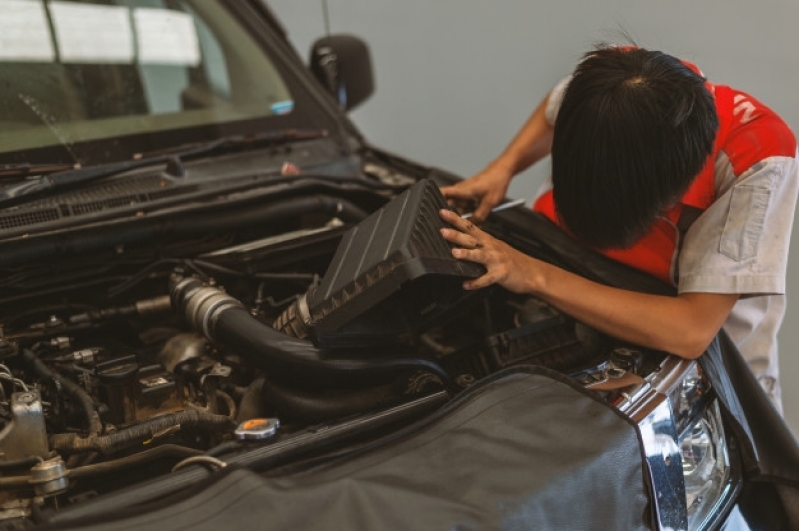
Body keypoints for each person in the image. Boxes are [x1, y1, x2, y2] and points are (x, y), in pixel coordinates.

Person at [439, 45, 798, 413]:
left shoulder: (756, 160)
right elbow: (558, 102)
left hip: (701, 371)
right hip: (568, 265)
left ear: (668, 194)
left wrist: (530, 273)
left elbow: (690, 331)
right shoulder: (612, 84)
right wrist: (503, 167)